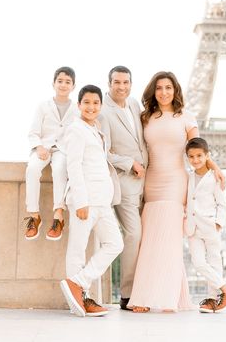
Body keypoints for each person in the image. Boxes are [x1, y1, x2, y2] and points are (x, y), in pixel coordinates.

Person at [128, 71, 224, 313]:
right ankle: (152, 297)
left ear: (175, 90)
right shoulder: (145, 118)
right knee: (150, 241)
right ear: (154, 91)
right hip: (152, 182)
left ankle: (163, 298)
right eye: (159, 88)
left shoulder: (187, 118)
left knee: (169, 243)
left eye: (168, 87)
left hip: (175, 183)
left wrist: (215, 167)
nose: (163, 92)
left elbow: (198, 151)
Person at [60, 84, 123, 317]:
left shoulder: (96, 129)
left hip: (102, 201)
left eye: (96, 102)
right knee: (77, 249)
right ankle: (80, 300)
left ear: (101, 105)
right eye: (86, 102)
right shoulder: (76, 129)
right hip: (85, 200)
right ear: (79, 105)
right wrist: (80, 201)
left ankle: (78, 283)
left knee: (115, 243)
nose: (91, 106)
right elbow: (73, 165)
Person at [98, 66, 148, 311]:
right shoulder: (102, 112)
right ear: (109, 83)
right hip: (125, 182)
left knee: (145, 235)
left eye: (126, 82)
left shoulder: (135, 104)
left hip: (147, 180)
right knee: (133, 235)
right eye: (117, 82)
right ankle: (127, 294)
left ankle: (145, 288)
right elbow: (103, 152)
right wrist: (130, 163)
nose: (122, 87)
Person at [185, 137, 226, 313]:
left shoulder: (215, 178)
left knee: (214, 262)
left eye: (199, 155)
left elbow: (222, 203)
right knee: (199, 262)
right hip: (192, 227)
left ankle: (212, 299)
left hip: (210, 226)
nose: (195, 160)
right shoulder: (188, 176)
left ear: (207, 155)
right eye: (191, 156)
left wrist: (218, 224)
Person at [24, 66, 77, 241]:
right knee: (32, 169)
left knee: (60, 169)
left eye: (68, 82)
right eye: (60, 81)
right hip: (43, 148)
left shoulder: (77, 109)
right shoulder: (43, 106)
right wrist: (39, 147)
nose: (63, 85)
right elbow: (33, 132)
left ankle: (58, 216)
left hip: (63, 150)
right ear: (53, 83)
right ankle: (34, 215)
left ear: (73, 86)